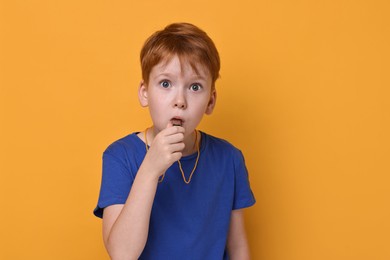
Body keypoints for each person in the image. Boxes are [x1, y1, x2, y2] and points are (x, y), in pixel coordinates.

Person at [93, 22, 256, 260]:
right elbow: (122, 254)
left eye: (195, 87)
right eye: (166, 83)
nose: (180, 100)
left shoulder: (228, 159)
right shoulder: (121, 156)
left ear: (210, 101)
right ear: (145, 92)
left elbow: (238, 247)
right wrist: (150, 169)